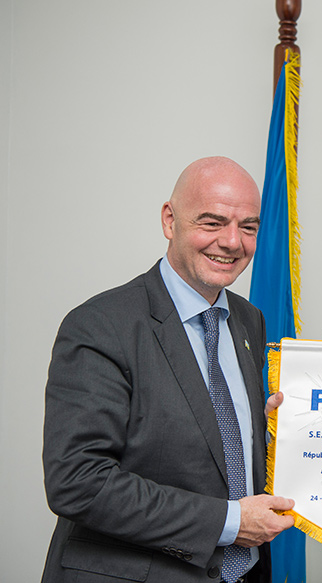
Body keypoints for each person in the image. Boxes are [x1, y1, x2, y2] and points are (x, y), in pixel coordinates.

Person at [42, 157, 295, 583]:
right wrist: (229, 522)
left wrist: (287, 434)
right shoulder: (102, 324)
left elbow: (216, 448)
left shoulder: (249, 320)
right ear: (169, 220)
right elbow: (77, 480)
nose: (232, 242)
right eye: (212, 223)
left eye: (248, 227)